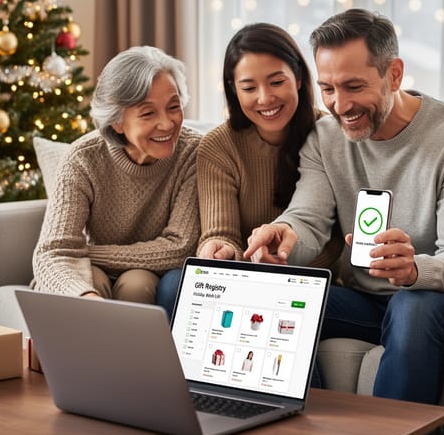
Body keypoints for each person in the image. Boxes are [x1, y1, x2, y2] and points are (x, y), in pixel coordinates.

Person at [243, 9, 444, 435]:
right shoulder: (324, 138)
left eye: (354, 86)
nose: (339, 104)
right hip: (362, 300)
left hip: (436, 304)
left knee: (412, 308)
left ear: (394, 73)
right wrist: (284, 235)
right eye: (327, 88)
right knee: (254, 294)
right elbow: (309, 218)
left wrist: (415, 270)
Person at [32, 45, 199, 319]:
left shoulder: (193, 152)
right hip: (94, 274)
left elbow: (181, 247)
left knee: (137, 284)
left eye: (173, 107)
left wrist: (87, 253)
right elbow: (52, 252)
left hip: (147, 273)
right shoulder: (83, 158)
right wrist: (85, 296)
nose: (167, 124)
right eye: (148, 113)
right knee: (88, 282)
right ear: (117, 121)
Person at [196, 22, 341, 268]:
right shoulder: (218, 147)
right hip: (245, 274)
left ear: (298, 78)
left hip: (313, 280)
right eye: (249, 88)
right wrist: (221, 250)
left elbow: (333, 234)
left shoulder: (330, 135)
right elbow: (220, 233)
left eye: (276, 82)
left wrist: (284, 263)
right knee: (172, 286)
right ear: (233, 89)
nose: (265, 98)